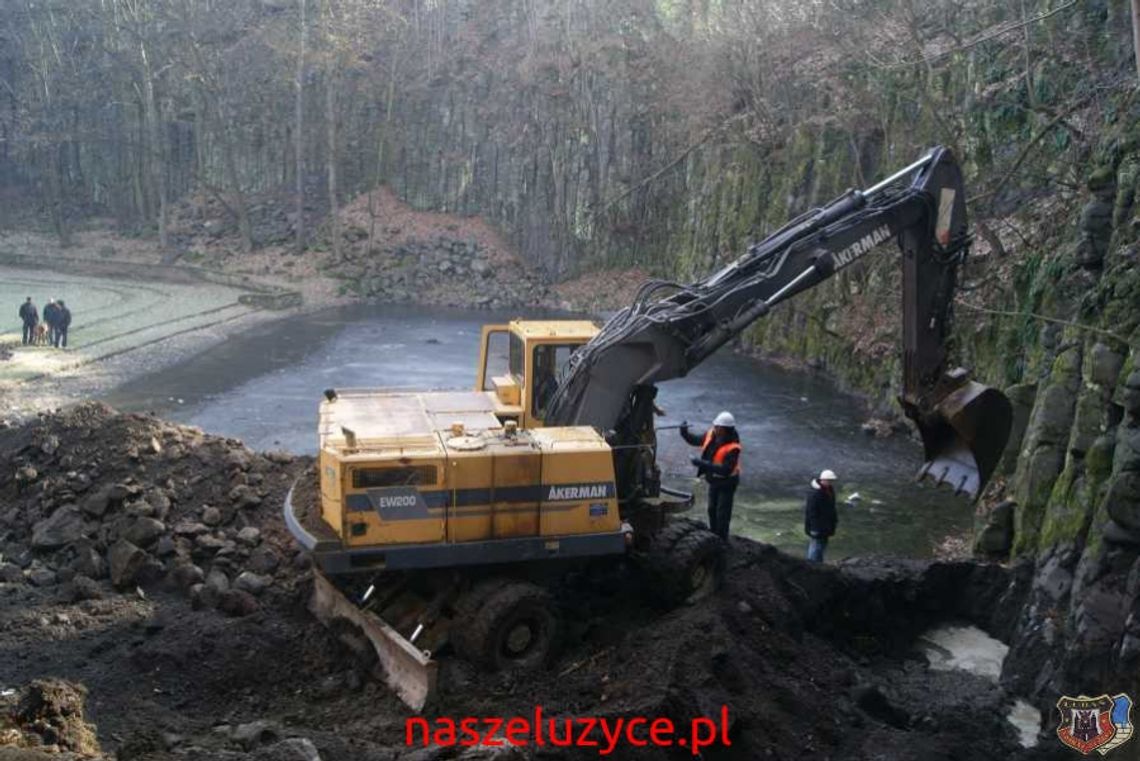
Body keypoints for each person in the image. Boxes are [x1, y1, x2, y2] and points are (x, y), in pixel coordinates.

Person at [680, 411, 742, 540]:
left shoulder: (733, 447)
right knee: (711, 509)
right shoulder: (711, 435)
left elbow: (725, 469)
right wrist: (684, 433)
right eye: (715, 426)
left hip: (727, 483)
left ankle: (722, 539)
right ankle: (714, 535)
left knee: (722, 513)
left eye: (718, 427)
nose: (715, 428)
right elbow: (696, 440)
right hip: (714, 481)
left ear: (725, 429)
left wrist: (701, 463)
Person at [804, 469, 838, 563]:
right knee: (815, 547)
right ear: (823, 480)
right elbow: (811, 512)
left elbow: (831, 509)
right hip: (817, 527)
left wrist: (833, 522)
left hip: (826, 525)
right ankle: (811, 566)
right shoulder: (815, 494)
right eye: (829, 480)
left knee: (821, 546)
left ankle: (818, 565)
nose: (830, 482)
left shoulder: (829, 491)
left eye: (831, 481)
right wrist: (815, 528)